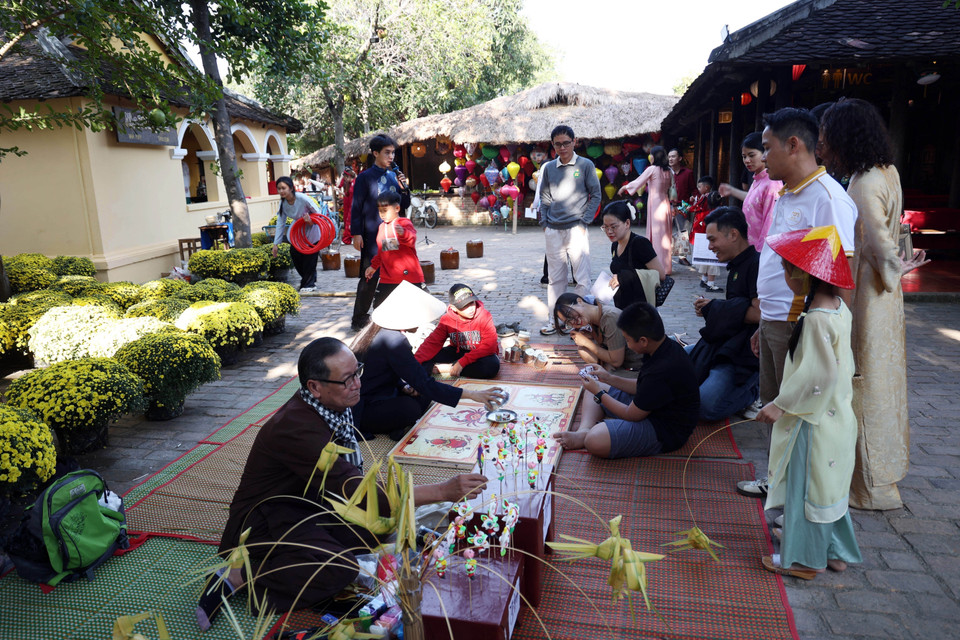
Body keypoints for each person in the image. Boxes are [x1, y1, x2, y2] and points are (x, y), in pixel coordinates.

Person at [201, 337, 488, 629]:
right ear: (315, 386)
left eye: (357, 372)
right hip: (265, 520)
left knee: (378, 528)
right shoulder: (295, 428)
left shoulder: (331, 401)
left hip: (307, 501)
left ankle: (312, 552)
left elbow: (351, 482)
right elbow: (358, 493)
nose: (357, 384)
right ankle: (241, 575)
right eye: (347, 379)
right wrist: (442, 490)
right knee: (340, 570)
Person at [739, 108, 857, 500]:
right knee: (776, 409)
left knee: (799, 416)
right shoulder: (789, 192)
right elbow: (776, 261)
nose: (763, 156)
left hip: (802, 324)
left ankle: (801, 505)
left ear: (794, 145)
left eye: (768, 148)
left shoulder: (827, 199)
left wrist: (820, 332)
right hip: (775, 318)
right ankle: (779, 484)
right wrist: (764, 319)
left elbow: (840, 274)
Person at [819, 99, 912, 510]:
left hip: (866, 295)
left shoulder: (862, 183)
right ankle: (882, 477)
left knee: (862, 383)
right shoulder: (886, 172)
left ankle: (866, 485)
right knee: (883, 383)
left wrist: (895, 264)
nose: (823, 145)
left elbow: (876, 240)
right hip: (886, 297)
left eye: (826, 137)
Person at [756, 225, 862, 580]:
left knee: (806, 490)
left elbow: (819, 375)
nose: (785, 276)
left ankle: (805, 560)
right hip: (837, 418)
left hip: (813, 420)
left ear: (803, 276)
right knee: (828, 487)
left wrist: (780, 405)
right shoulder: (838, 307)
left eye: (787, 270)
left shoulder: (816, 319)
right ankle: (834, 552)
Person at [351, 281, 505, 440]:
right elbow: (423, 380)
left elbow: (384, 372)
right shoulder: (394, 341)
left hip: (381, 392)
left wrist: (403, 386)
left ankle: (396, 424)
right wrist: (473, 395)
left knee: (424, 393)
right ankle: (395, 424)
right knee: (412, 407)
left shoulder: (379, 331)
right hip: (364, 405)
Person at [554, 302, 700, 459]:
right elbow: (641, 387)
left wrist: (600, 393)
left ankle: (587, 436)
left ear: (643, 340)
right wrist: (608, 378)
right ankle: (583, 431)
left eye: (627, 340)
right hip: (650, 407)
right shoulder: (662, 347)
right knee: (593, 387)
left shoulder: (661, 370)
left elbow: (631, 414)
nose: (628, 346)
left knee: (594, 440)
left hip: (664, 429)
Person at [686, 207, 761, 422]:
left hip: (742, 356)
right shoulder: (737, 266)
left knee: (704, 406)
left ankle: (753, 392)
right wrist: (714, 308)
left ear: (733, 234)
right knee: (671, 362)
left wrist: (716, 307)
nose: (710, 247)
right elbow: (738, 309)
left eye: (712, 239)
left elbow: (758, 314)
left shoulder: (755, 264)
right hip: (725, 346)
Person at [537, 125, 602, 335]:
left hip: (577, 229)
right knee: (556, 279)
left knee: (581, 279)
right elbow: (545, 197)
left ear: (575, 142)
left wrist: (584, 222)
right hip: (553, 230)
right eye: (558, 144)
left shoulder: (585, 165)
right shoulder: (548, 168)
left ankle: (581, 321)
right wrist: (545, 222)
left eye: (566, 143)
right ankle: (555, 320)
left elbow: (596, 195)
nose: (562, 147)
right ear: (553, 145)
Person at [350, 135, 411, 332]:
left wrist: (404, 190)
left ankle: (386, 314)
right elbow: (356, 207)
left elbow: (404, 205)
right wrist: (356, 233)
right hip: (370, 236)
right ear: (375, 153)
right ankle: (359, 318)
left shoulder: (395, 176)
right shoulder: (364, 177)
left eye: (393, 152)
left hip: (391, 235)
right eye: (387, 152)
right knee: (370, 276)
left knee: (391, 272)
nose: (391, 156)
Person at [415, 283, 501, 379]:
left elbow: (490, 346)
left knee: (491, 366)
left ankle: (447, 369)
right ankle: (425, 376)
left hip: (480, 354)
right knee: (427, 356)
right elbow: (432, 343)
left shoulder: (485, 316)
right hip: (457, 351)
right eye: (464, 306)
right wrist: (414, 362)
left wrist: (462, 362)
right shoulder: (446, 320)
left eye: (472, 303)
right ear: (453, 308)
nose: (471, 309)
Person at [719, 132, 784, 252]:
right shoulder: (757, 179)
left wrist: (759, 256)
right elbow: (754, 201)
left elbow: (769, 226)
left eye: (751, 155)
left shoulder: (772, 184)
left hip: (759, 252)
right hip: (749, 248)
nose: (747, 160)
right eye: (744, 156)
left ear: (765, 153)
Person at [553, 293, 644, 374]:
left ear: (579, 301)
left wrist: (587, 343)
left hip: (638, 368)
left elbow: (616, 361)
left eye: (570, 314)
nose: (573, 322)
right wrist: (592, 336)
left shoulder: (609, 317)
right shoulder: (594, 316)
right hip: (623, 363)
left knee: (593, 387)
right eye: (568, 322)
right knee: (583, 351)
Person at [619, 146, 674, 275]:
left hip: (655, 205)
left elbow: (639, 181)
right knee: (665, 235)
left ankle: (659, 267)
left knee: (657, 235)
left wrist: (624, 187)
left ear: (654, 157)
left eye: (651, 155)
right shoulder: (669, 171)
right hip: (665, 203)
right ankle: (666, 266)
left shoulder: (652, 169)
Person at [364, 191, 425, 308]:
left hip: (408, 276)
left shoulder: (404, 222)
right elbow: (384, 250)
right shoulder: (382, 227)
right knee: (379, 308)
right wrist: (373, 266)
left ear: (397, 208)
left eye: (385, 210)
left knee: (413, 310)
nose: (382, 214)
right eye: (380, 210)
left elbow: (412, 240)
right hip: (387, 277)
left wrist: (403, 234)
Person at [602, 201, 665, 309]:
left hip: (640, 309)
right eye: (605, 227)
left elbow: (661, 274)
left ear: (627, 223)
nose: (609, 231)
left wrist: (623, 277)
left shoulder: (640, 243)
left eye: (613, 227)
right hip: (622, 305)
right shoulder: (615, 245)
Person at [272, 176, 322, 292]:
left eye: (284, 188)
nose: (281, 191)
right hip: (297, 233)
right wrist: (276, 244)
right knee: (295, 255)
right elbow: (280, 223)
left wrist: (311, 221)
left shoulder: (302, 198)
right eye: (279, 189)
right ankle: (307, 281)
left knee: (310, 258)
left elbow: (318, 213)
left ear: (291, 188)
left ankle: (309, 284)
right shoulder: (283, 203)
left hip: (312, 229)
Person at [688, 177, 724, 292]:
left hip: (702, 231)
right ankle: (711, 283)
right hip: (708, 234)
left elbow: (696, 207)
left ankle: (704, 279)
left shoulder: (704, 199)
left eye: (700, 186)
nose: (698, 189)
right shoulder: (712, 209)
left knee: (704, 258)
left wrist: (691, 206)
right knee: (712, 258)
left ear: (706, 187)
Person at [338, 167, 356, 245]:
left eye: (345, 177)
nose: (344, 179)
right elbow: (347, 194)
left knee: (350, 221)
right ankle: (349, 238)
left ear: (349, 176)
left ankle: (348, 239)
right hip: (350, 204)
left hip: (354, 205)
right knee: (348, 221)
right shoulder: (350, 184)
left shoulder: (355, 182)